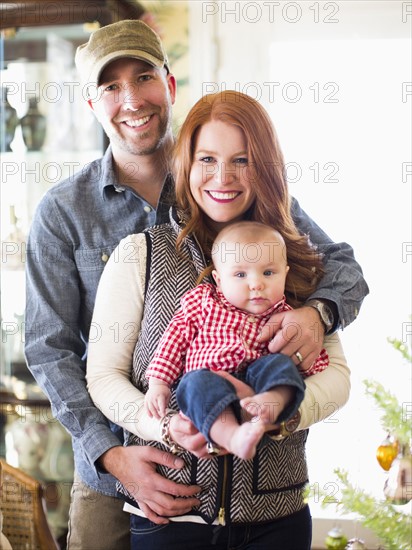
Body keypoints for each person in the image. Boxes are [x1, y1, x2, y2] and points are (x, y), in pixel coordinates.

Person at [87, 90, 366, 549]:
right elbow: (102, 375)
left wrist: (280, 417)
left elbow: (336, 378)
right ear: (185, 164)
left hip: (276, 517)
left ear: (267, 168)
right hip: (172, 515)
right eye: (207, 158)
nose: (223, 177)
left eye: (242, 160)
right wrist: (162, 425)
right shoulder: (141, 255)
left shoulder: (295, 260)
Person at [145, 221, 329, 460]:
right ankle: (233, 435)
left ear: (285, 273)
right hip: (210, 381)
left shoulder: (286, 316)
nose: (256, 284)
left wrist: (309, 363)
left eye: (268, 272)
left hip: (259, 387)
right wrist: (159, 383)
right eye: (240, 274)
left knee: (280, 365)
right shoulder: (203, 302)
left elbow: (311, 360)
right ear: (219, 280)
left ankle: (272, 402)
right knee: (192, 385)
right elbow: (174, 338)